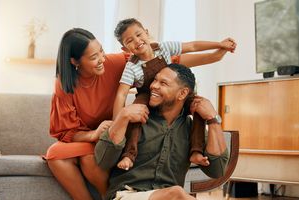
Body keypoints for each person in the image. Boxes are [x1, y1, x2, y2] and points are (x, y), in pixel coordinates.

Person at [45, 28, 232, 200]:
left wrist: (216, 55)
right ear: (75, 61)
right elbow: (67, 130)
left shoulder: (116, 62)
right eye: (94, 57)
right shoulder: (65, 84)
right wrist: (117, 121)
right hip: (101, 134)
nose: (102, 58)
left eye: (101, 51)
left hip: (114, 133)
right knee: (57, 153)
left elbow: (166, 63)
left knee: (89, 158)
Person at [112, 18, 236, 170]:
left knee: (198, 105)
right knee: (136, 114)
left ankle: (196, 151)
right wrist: (116, 122)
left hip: (173, 89)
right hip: (147, 94)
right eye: (129, 41)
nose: (137, 41)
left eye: (138, 35)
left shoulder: (164, 48)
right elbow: (121, 95)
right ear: (125, 49)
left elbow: (192, 46)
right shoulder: (131, 67)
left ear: (146, 32)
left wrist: (220, 44)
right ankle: (129, 155)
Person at [95, 63, 229, 200]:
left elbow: (217, 170)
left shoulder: (191, 129)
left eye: (163, 83)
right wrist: (122, 117)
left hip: (166, 197)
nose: (154, 86)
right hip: (126, 195)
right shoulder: (135, 117)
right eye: (155, 80)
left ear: (182, 93)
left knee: (175, 194)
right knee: (176, 193)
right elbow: (103, 160)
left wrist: (213, 119)